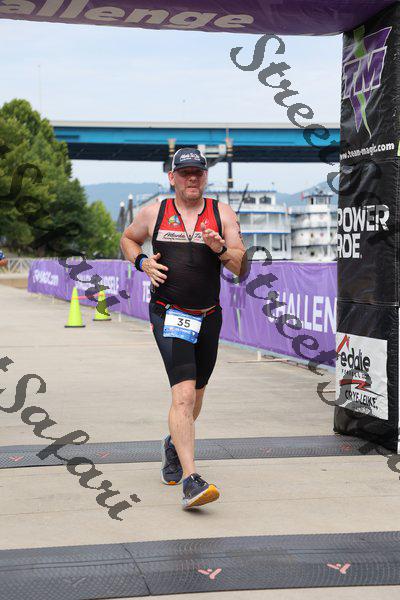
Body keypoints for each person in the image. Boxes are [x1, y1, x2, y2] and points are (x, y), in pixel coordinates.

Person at [120, 147, 246, 509]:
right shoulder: (154, 212)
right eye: (185, 172)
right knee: (184, 395)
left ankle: (173, 444)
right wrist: (142, 262)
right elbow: (128, 239)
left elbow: (241, 267)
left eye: (198, 172)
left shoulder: (222, 213)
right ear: (172, 177)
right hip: (169, 313)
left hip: (209, 315)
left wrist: (220, 250)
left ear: (205, 177)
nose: (192, 178)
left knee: (197, 394)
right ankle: (192, 480)